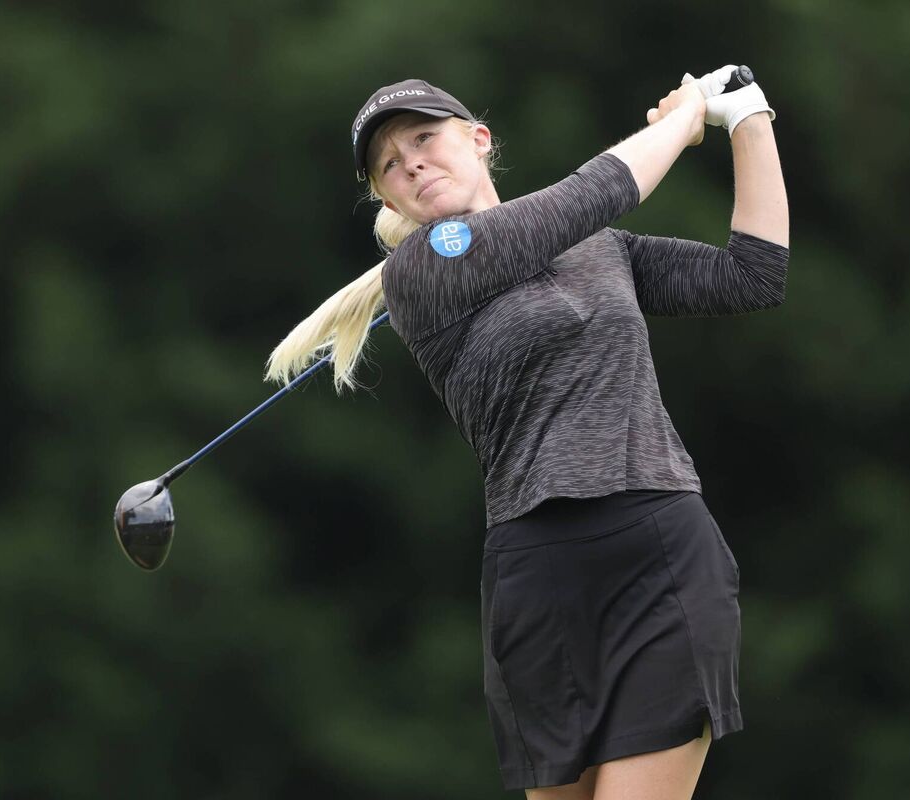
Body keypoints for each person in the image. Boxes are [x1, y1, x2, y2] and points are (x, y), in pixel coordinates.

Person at [265, 68, 789, 799]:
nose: (411, 160)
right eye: (390, 163)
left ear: (479, 141)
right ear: (386, 198)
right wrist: (684, 117)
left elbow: (753, 276)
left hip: (661, 550)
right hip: (541, 579)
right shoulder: (426, 268)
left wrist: (747, 117)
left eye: (423, 138)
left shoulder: (603, 249)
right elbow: (595, 192)